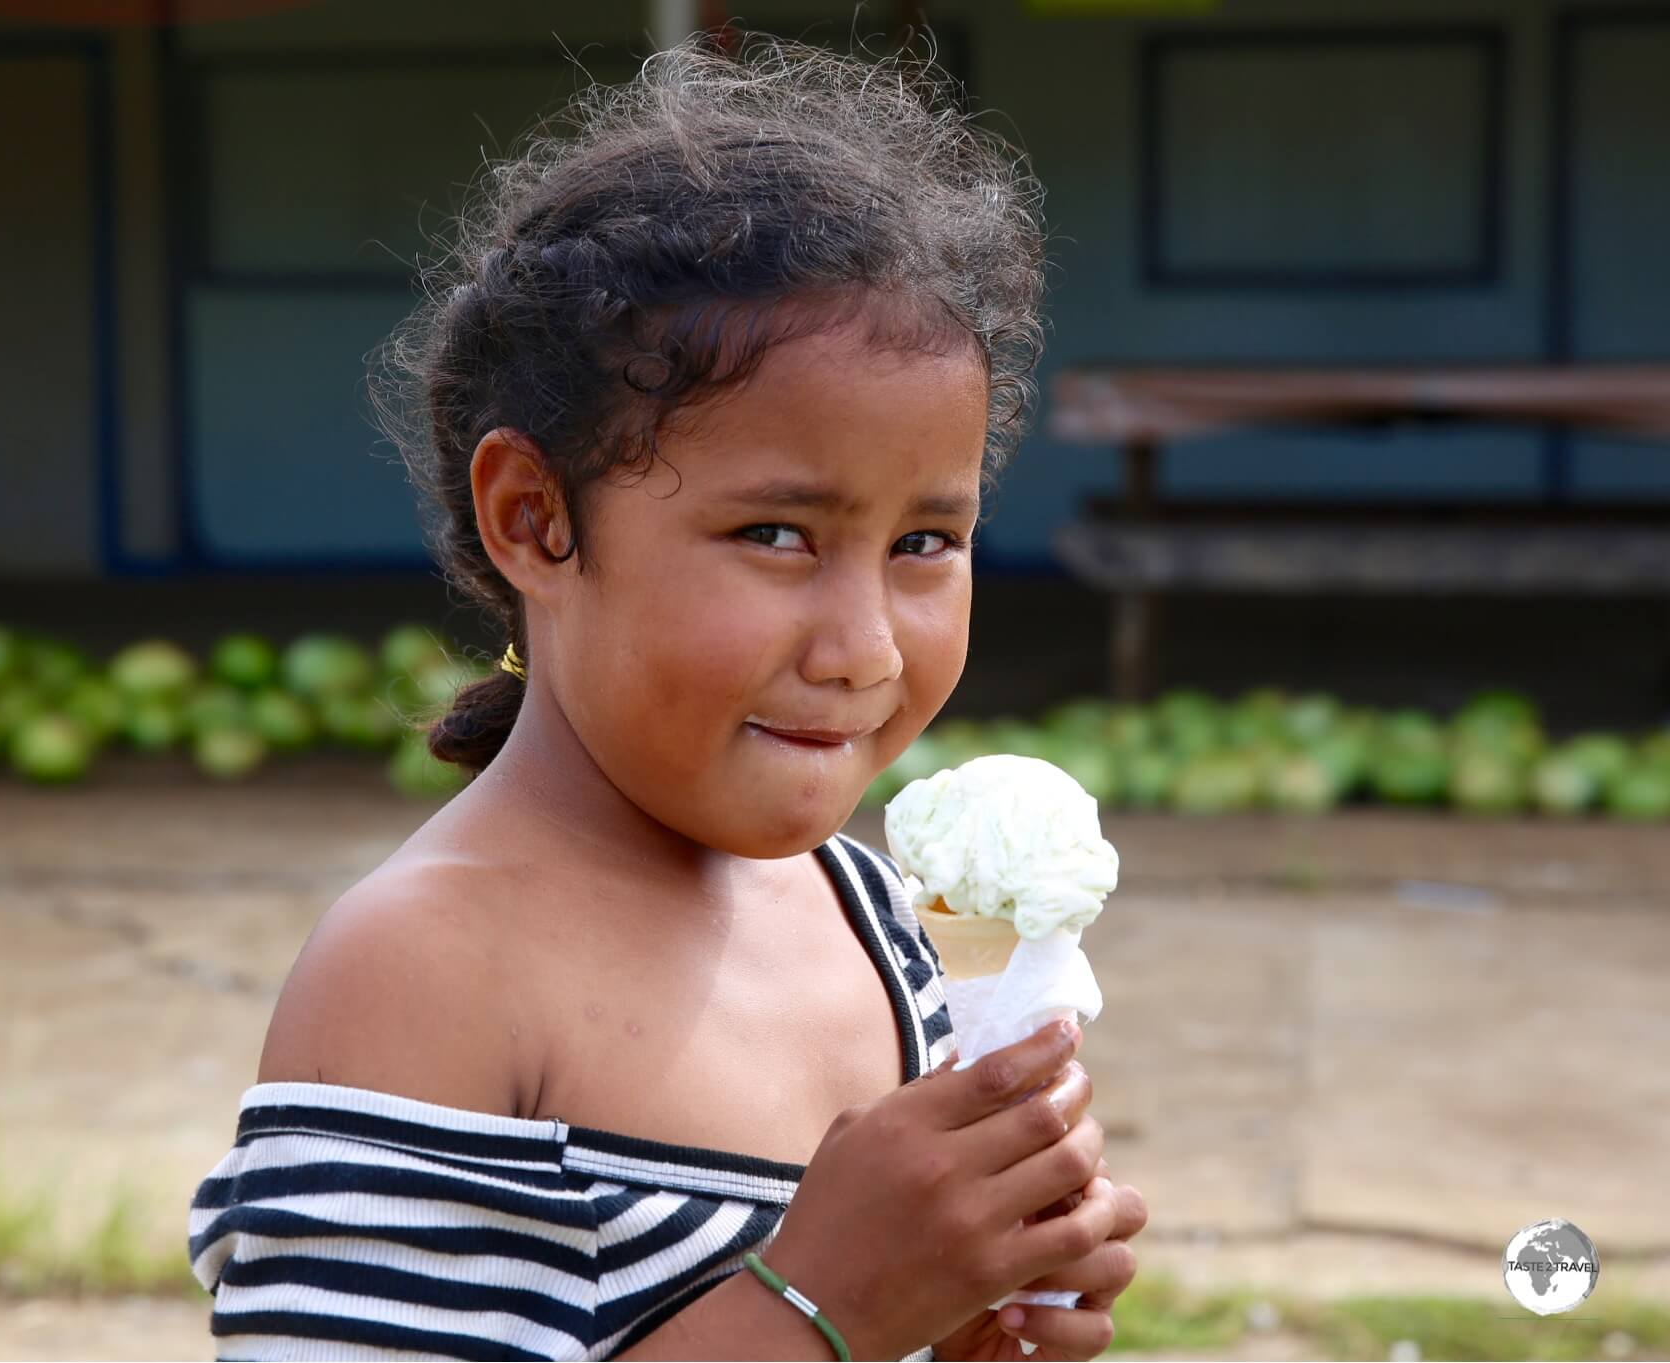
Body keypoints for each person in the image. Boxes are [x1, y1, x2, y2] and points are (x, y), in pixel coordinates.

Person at [188, 28, 1146, 1361]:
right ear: (535, 519)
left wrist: (971, 1306)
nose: (866, 647)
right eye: (776, 536)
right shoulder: (427, 971)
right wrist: (828, 1305)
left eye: (926, 542)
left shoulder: (884, 927)